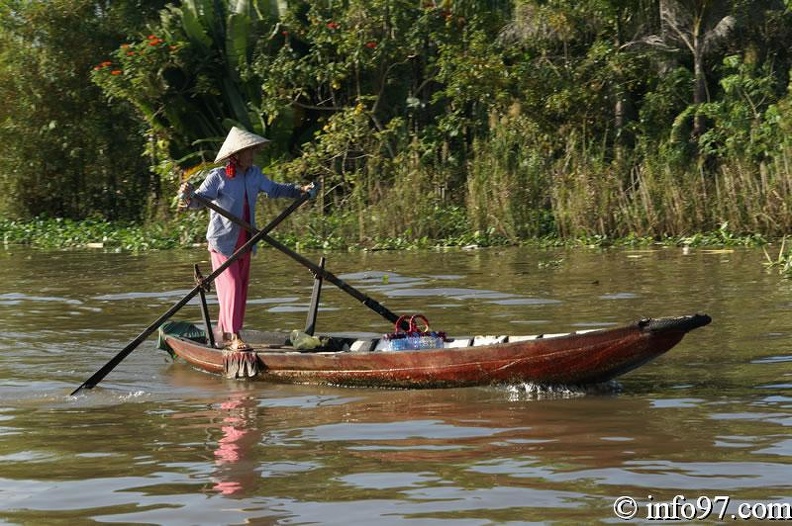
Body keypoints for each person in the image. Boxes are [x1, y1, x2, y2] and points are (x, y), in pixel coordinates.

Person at [178, 127, 313, 351]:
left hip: (247, 240)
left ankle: (223, 332)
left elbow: (275, 189)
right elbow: (197, 201)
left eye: (253, 151)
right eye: (248, 152)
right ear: (236, 155)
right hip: (223, 243)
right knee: (230, 287)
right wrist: (186, 194)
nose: (252, 155)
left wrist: (300, 190)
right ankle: (234, 337)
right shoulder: (218, 177)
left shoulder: (254, 175)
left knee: (240, 288)